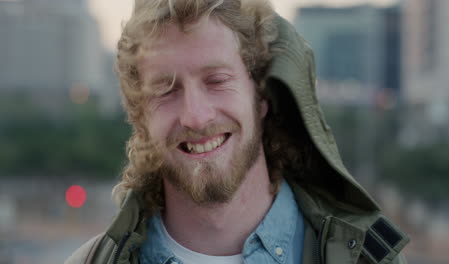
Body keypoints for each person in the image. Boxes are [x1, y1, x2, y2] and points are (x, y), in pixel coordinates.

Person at [66, 0, 409, 263]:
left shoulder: (366, 258)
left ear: (261, 96)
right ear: (140, 119)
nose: (196, 117)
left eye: (216, 81)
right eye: (167, 90)